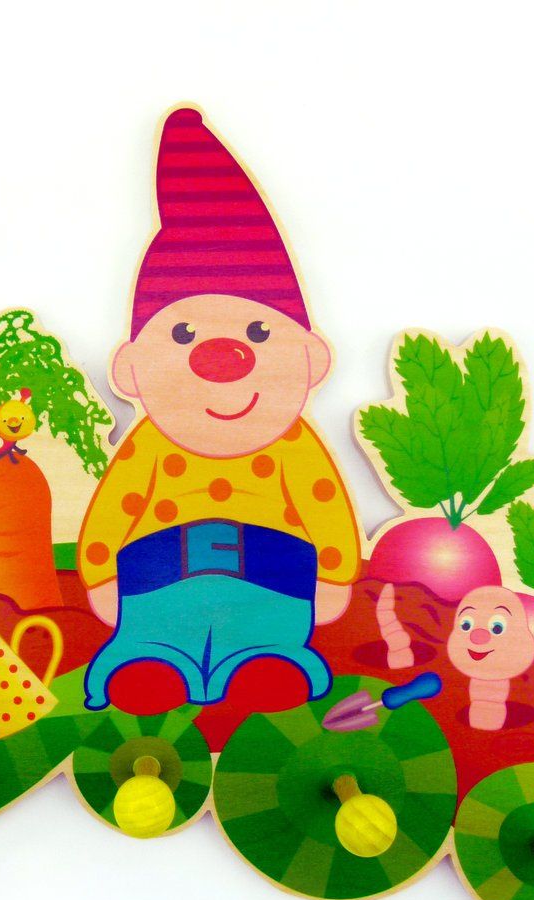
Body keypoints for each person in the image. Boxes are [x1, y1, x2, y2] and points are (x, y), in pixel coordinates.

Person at [79, 107, 360, 716]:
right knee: (151, 641)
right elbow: (117, 504)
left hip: (273, 575)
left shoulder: (294, 446)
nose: (223, 359)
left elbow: (322, 504)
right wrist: (100, 572)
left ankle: (263, 662)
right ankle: (149, 663)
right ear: (132, 369)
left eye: (260, 332)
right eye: (182, 336)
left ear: (309, 357)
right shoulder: (148, 445)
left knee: (267, 641)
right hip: (157, 575)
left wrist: (334, 574)